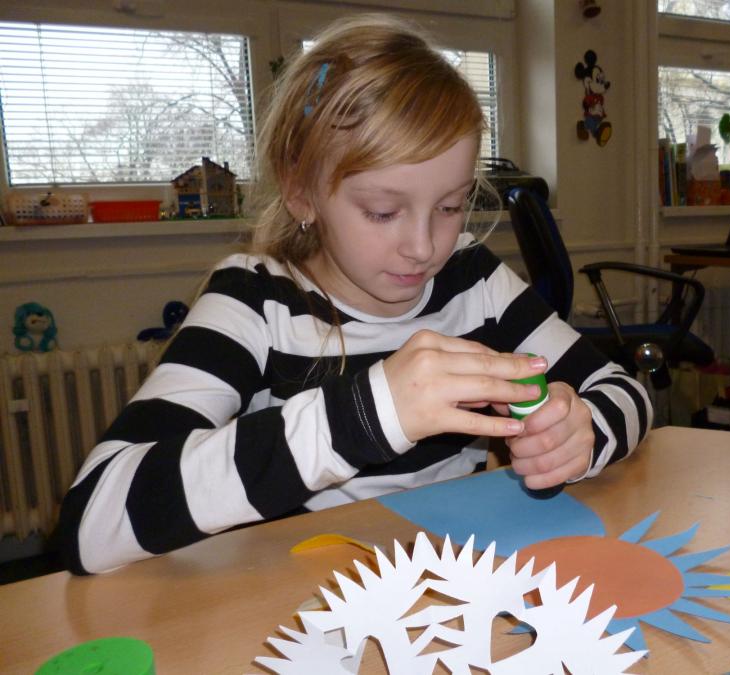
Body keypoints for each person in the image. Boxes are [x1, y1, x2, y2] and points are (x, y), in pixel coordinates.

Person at [57, 14, 652, 575]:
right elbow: (91, 521)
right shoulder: (255, 300)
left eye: (451, 206)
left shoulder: (473, 278)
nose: (423, 247)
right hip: (302, 598)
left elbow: (623, 389)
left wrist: (580, 435)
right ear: (301, 192)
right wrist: (367, 415)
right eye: (383, 211)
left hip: (450, 577)